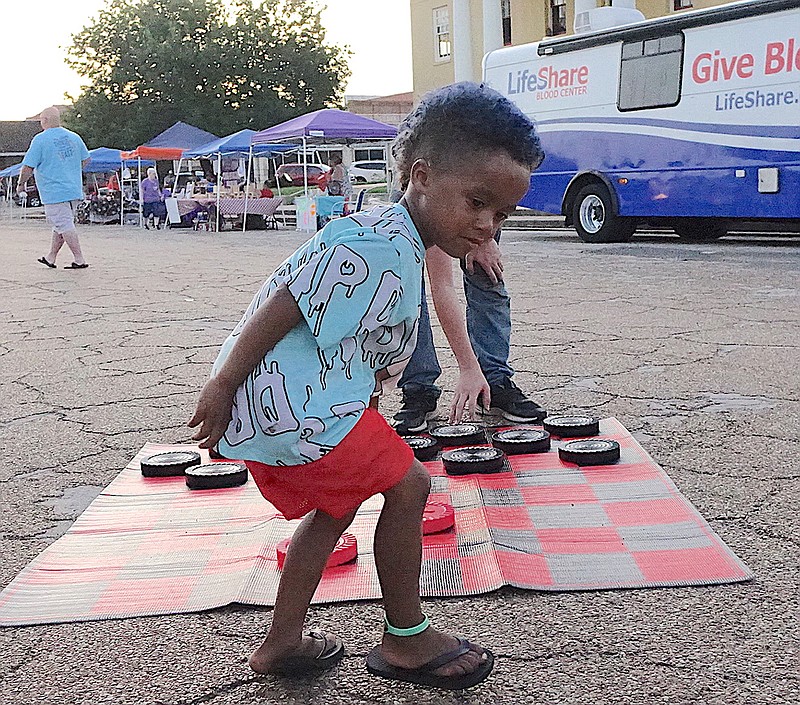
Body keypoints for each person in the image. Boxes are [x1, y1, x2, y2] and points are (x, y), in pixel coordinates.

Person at [188, 82, 542, 689]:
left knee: (336, 508)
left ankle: (283, 641)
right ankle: (406, 639)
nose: (487, 227)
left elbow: (361, 332)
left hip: (309, 403)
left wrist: (369, 393)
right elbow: (284, 305)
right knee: (411, 486)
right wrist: (222, 384)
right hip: (291, 408)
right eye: (478, 202)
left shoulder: (408, 241)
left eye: (502, 215)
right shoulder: (375, 241)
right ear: (422, 176)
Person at [392, 228, 548, 432]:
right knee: (408, 291)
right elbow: (442, 286)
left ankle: (493, 384)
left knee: (487, 268)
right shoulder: (431, 208)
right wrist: (468, 367)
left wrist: (485, 239)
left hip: (476, 206)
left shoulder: (489, 204)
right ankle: (418, 389)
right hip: (427, 212)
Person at [18, 106, 90, 269]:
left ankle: (79, 259)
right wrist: (71, 169)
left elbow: (27, 167)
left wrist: (21, 184)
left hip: (54, 191)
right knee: (61, 225)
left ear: (45, 120)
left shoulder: (40, 139)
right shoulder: (74, 137)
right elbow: (86, 160)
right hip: (73, 189)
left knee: (64, 224)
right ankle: (51, 257)